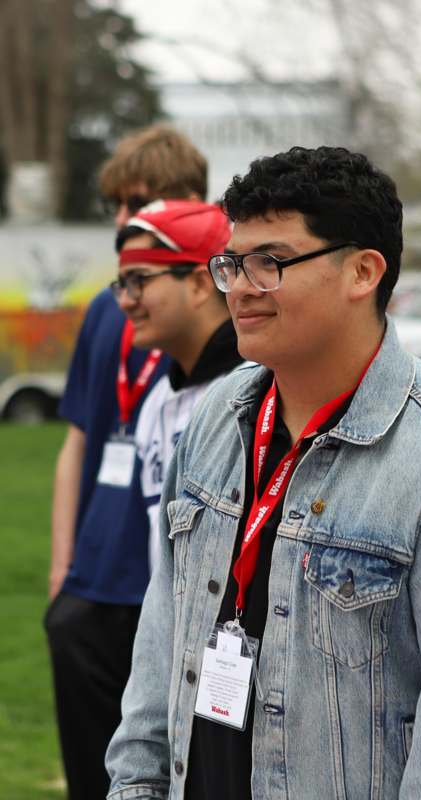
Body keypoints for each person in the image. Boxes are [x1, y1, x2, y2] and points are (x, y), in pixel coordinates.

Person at [106, 146, 421, 800]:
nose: (242, 286)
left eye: (271, 262)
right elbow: (160, 654)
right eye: (233, 262)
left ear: (363, 272)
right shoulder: (214, 424)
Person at [44, 125, 208, 800]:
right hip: (93, 586)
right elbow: (79, 439)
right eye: (117, 207)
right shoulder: (106, 310)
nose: (122, 222)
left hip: (168, 595)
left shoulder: (225, 318)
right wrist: (63, 574)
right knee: (94, 776)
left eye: (136, 203)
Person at [112, 199, 243, 567]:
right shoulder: (156, 401)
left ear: (201, 283)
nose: (125, 301)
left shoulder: (265, 393)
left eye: (139, 280)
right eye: (121, 284)